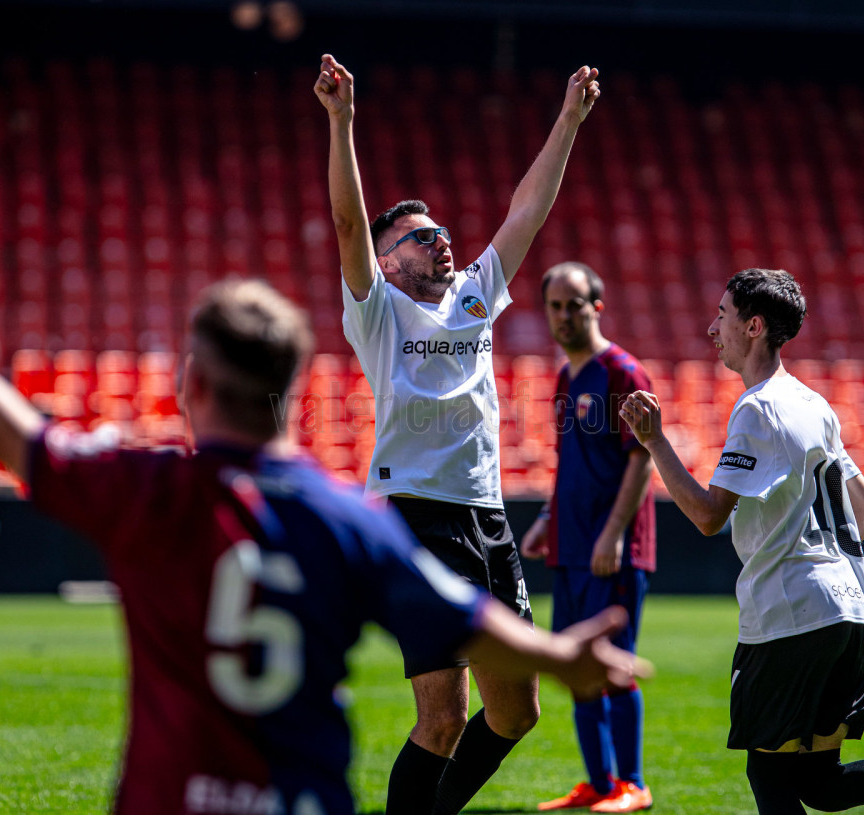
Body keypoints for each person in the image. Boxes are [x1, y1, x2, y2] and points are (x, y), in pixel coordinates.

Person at [0, 235, 648, 815]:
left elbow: (13, 433)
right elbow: (469, 619)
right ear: (296, 385)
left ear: (192, 383)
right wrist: (561, 657)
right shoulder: (347, 519)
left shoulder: (146, 490)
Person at [618, 267, 864, 815]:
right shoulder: (815, 406)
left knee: (768, 773)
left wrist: (654, 441)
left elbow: (709, 516)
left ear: (754, 326)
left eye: (722, 315)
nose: (713, 329)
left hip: (791, 615)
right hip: (851, 611)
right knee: (818, 782)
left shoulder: (758, 407)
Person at [314, 54, 601, 815]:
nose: (442, 240)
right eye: (421, 237)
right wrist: (342, 121)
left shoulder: (474, 295)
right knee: (441, 719)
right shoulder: (376, 310)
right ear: (386, 262)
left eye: (443, 231)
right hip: (417, 515)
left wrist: (568, 120)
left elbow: (527, 210)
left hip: (487, 515)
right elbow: (347, 222)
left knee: (516, 713)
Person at [519, 262, 655, 813]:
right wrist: (546, 520)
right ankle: (599, 785)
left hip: (609, 550)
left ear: (596, 307)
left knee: (614, 664)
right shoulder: (565, 378)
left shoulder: (623, 372)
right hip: (569, 544)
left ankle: (633, 785)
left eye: (574, 304)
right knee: (575, 667)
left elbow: (642, 459)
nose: (563, 315)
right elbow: (570, 463)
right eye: (554, 306)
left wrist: (613, 535)